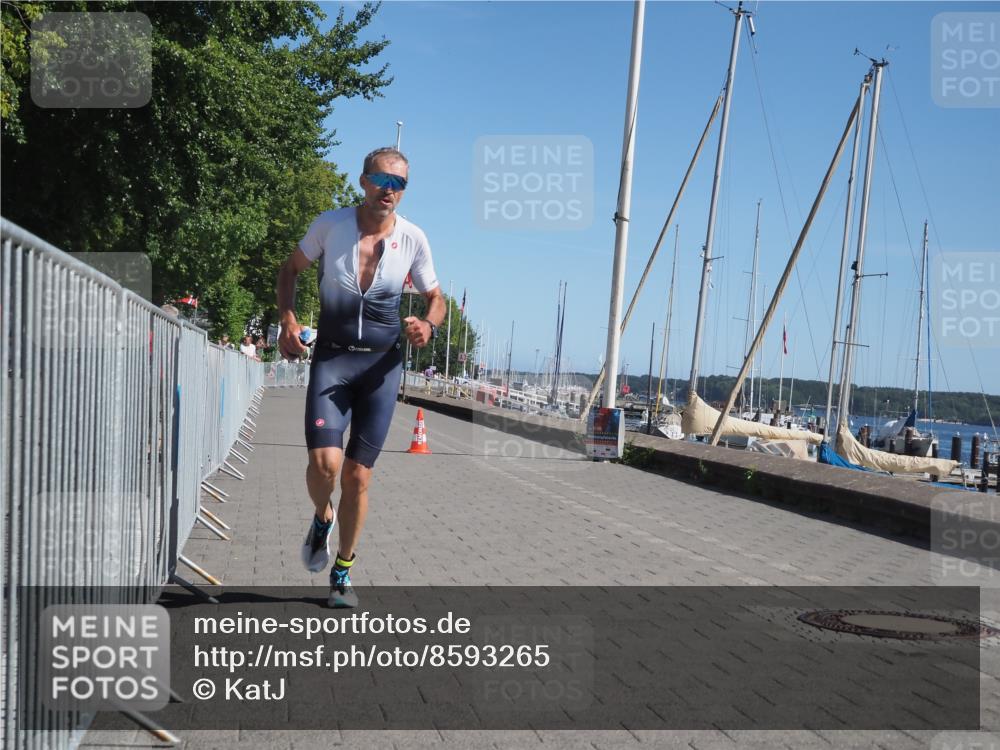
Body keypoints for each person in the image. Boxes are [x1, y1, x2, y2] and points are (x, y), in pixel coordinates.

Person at [276, 147, 444, 608]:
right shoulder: (330, 225)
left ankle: (343, 573)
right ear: (364, 181)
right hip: (332, 361)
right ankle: (321, 516)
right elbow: (289, 271)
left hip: (381, 369)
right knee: (324, 467)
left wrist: (428, 324)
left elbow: (435, 297)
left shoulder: (413, 239)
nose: (391, 191)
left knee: (356, 476)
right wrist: (288, 322)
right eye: (383, 181)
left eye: (400, 184)